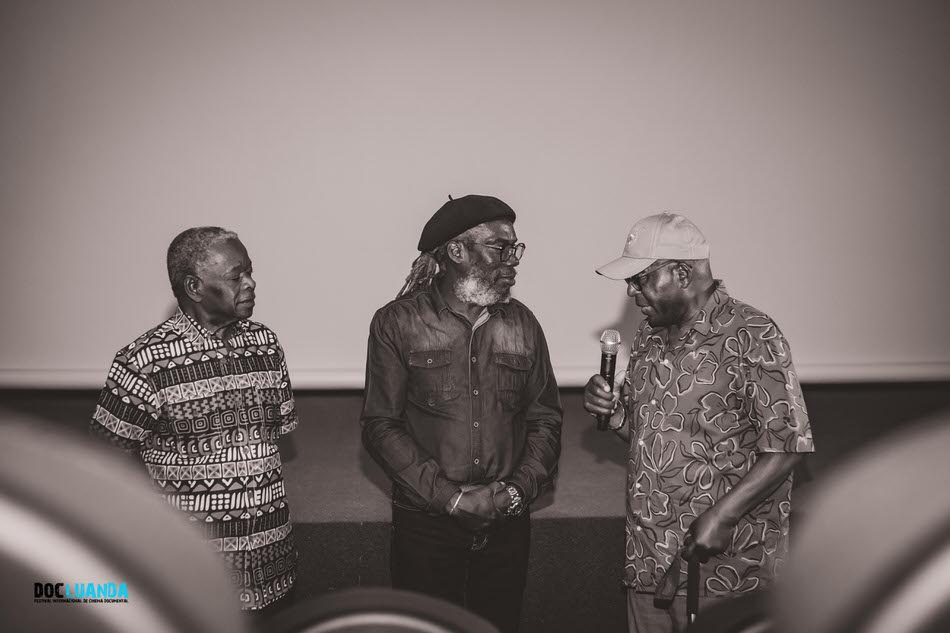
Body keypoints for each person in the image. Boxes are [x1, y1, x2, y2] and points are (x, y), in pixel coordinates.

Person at [583, 212, 814, 633]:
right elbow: (650, 440)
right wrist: (614, 415)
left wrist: (723, 515)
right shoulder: (649, 336)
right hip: (648, 562)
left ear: (682, 272)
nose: (631, 291)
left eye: (640, 279)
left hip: (724, 571)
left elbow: (788, 446)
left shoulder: (752, 333)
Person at [361, 194, 563, 633]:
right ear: (456, 251)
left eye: (515, 248)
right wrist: (450, 498)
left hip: (507, 521)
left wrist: (514, 493)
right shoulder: (397, 323)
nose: (513, 259)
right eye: (499, 248)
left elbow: (545, 419)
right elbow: (380, 425)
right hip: (427, 524)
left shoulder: (524, 324)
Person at [89, 226, 299, 615]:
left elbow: (276, 436)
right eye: (236, 276)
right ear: (194, 287)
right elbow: (105, 462)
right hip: (192, 578)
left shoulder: (267, 346)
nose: (250, 283)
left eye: (250, 272)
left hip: (272, 566)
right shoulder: (142, 362)